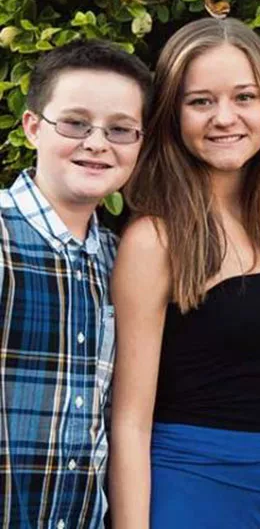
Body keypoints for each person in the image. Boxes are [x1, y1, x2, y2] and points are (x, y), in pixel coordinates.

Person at [108, 18, 260, 528]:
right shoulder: (155, 238)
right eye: (200, 101)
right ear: (172, 115)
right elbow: (130, 422)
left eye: (244, 97)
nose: (225, 117)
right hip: (187, 487)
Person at [0, 41, 150, 528]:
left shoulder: (120, 259)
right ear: (32, 127)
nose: (97, 142)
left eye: (120, 130)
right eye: (75, 123)